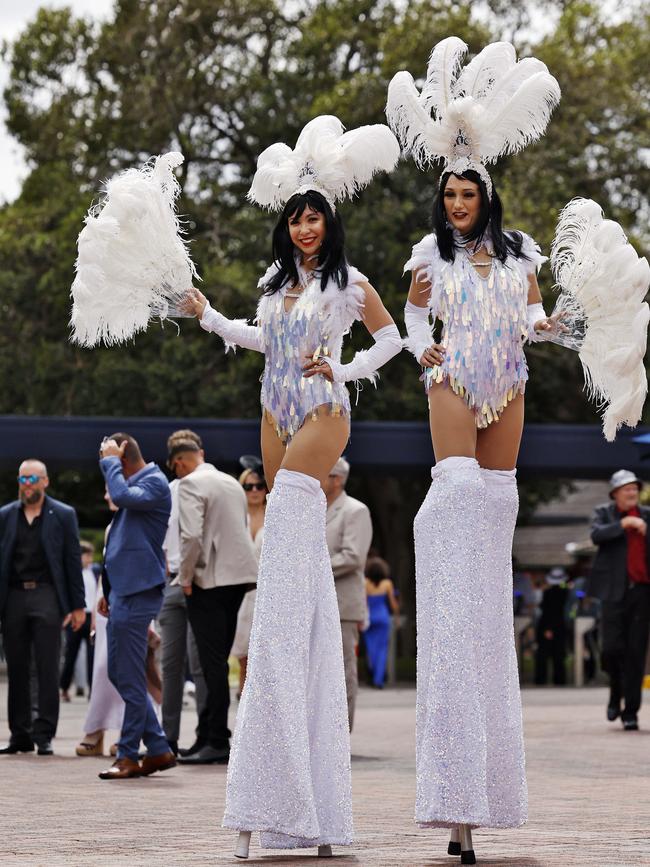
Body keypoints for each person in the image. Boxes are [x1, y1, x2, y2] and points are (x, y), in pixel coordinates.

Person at [184, 115, 401, 857]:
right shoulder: (275, 285)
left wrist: (340, 371)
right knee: (285, 537)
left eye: (315, 217)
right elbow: (257, 335)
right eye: (296, 217)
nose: (305, 227)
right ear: (286, 224)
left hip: (324, 411)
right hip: (274, 411)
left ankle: (287, 624)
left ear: (329, 223)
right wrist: (206, 313)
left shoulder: (350, 283)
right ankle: (287, 782)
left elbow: (393, 340)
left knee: (290, 522)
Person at [387, 37, 561, 863]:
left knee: (497, 508)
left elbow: (530, 318)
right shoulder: (428, 256)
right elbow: (414, 319)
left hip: (510, 382)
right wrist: (422, 340)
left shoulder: (522, 253)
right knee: (454, 495)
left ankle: (484, 622)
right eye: (448, 192)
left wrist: (549, 325)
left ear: (485, 195)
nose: (457, 202)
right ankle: (447, 597)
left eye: (467, 193)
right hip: (454, 376)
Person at [171, 434, 259, 767]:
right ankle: (208, 735)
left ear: (179, 462)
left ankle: (217, 738)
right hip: (237, 578)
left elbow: (191, 535)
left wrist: (186, 576)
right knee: (217, 661)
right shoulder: (230, 482)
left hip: (209, 580)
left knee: (211, 665)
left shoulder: (191, 484)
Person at [97, 433, 175, 779]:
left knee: (128, 676)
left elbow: (120, 495)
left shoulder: (155, 482)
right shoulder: (143, 484)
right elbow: (125, 537)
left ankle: (128, 755)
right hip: (124, 592)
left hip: (138, 592)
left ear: (124, 457)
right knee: (120, 673)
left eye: (113, 461)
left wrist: (110, 461)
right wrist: (109, 588)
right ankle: (157, 748)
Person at [0, 459, 85, 756]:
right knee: (18, 667)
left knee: (48, 666)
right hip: (13, 596)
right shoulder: (6, 515)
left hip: (48, 594)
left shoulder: (63, 514)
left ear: (45, 481)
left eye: (32, 479)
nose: (27, 485)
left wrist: (78, 606)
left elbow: (73, 562)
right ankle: (19, 734)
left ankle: (44, 734)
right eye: (22, 480)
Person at [589, 470, 650, 731]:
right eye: (626, 489)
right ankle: (615, 692)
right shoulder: (604, 513)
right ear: (615, 493)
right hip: (613, 592)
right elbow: (596, 535)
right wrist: (623, 525)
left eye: (634, 489)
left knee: (636, 652)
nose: (632, 493)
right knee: (612, 649)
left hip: (642, 591)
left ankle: (631, 711)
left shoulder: (647, 515)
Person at [160, 429, 207, 757]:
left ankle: (175, 736)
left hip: (188, 579)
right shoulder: (171, 489)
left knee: (178, 663)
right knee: (187, 662)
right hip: (181, 579)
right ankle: (182, 736)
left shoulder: (194, 486)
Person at [323, 457, 372, 729]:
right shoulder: (316, 508)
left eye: (324, 472)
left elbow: (353, 557)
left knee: (342, 671)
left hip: (343, 605)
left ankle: (341, 731)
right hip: (317, 603)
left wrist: (313, 568)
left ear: (337, 479)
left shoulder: (355, 510)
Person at [230, 460, 267, 698]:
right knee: (242, 653)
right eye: (248, 486)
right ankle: (244, 701)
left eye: (259, 486)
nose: (254, 491)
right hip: (239, 591)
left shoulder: (275, 515)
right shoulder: (235, 516)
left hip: (266, 592)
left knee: (262, 654)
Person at [60, 541, 99, 702]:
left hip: (91, 616)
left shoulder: (95, 571)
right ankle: (64, 687)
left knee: (92, 656)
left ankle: (93, 690)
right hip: (75, 615)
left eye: (90, 555)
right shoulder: (70, 572)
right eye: (86, 555)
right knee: (71, 654)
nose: (89, 559)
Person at [364, 557, 399, 689]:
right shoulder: (387, 584)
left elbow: (363, 602)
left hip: (370, 617)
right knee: (382, 649)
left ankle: (373, 673)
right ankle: (379, 679)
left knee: (370, 648)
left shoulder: (365, 583)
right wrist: (395, 615)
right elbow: (393, 603)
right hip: (383, 618)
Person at [534, 567, 569, 686]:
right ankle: (560, 680)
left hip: (547, 627)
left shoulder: (548, 593)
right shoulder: (565, 593)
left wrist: (548, 628)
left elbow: (548, 612)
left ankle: (541, 680)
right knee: (558, 655)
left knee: (543, 655)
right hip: (559, 627)